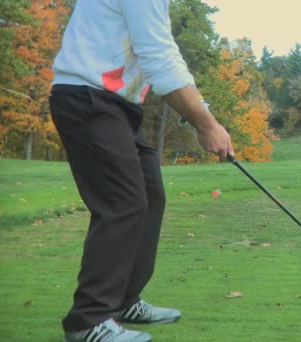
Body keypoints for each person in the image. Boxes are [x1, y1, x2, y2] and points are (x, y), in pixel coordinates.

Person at [49, 0, 234, 341]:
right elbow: (158, 58)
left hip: (115, 103)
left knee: (150, 196)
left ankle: (122, 301)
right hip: (87, 97)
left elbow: (165, 55)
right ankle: (87, 320)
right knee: (124, 204)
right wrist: (206, 124)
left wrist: (203, 112)